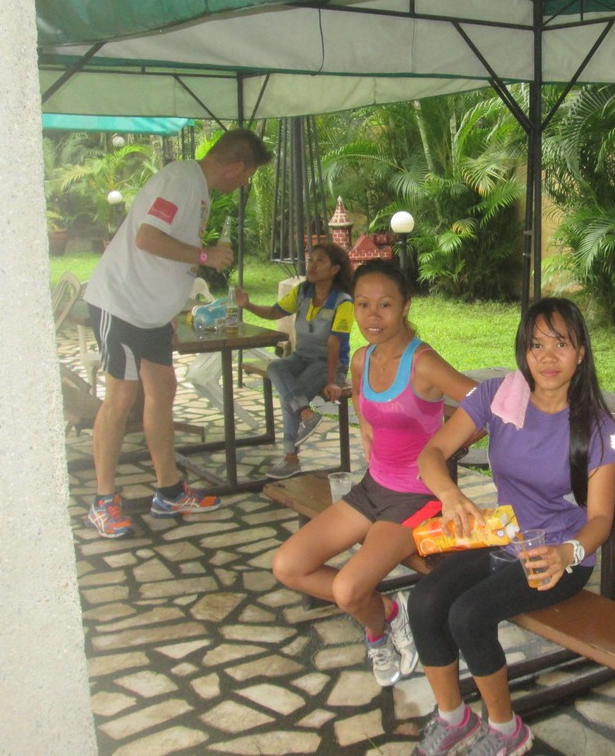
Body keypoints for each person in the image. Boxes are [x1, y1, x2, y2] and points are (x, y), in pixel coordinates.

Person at [408, 297, 615, 756]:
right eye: (536, 345)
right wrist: (450, 494)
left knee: (469, 615)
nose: (547, 357)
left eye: (561, 344)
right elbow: (432, 453)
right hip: (505, 536)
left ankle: (506, 730)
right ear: (523, 351)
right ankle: (454, 719)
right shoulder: (498, 396)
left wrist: (568, 553)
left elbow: (601, 520)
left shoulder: (595, 425)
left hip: (560, 554)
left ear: (581, 352)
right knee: (425, 601)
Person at [270, 259, 474, 687]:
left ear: (405, 306)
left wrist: (446, 445)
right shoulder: (362, 359)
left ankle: (377, 632)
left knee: (348, 590)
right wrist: (367, 431)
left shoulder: (423, 363)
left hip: (417, 498)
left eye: (385, 304)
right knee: (288, 566)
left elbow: (484, 403)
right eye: (363, 304)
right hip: (372, 488)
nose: (372, 316)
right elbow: (366, 409)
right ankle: (390, 613)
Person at [82, 128, 273, 539]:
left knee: (163, 388)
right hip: (121, 305)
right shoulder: (181, 180)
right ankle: (103, 501)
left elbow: (167, 253)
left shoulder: (198, 189)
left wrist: (171, 308)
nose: (244, 184)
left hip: (151, 314)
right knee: (121, 397)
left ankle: (169, 491)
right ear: (237, 167)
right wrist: (205, 255)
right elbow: (148, 238)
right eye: (248, 176)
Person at [234, 244, 354, 478]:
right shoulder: (302, 292)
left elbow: (334, 343)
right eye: (311, 260)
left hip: (329, 363)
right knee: (275, 366)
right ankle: (306, 412)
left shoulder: (343, 302)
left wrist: (332, 381)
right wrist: (247, 305)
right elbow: (274, 312)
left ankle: (291, 458)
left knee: (289, 394)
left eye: (320, 261)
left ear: (335, 269)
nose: (312, 266)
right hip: (301, 357)